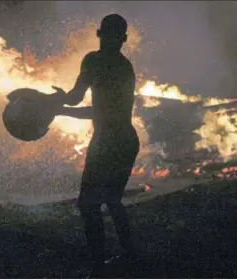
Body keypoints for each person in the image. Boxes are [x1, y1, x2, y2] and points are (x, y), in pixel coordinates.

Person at [50, 14, 140, 276]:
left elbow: (82, 102)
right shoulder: (125, 67)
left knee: (89, 205)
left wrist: (59, 106)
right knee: (113, 200)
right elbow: (82, 100)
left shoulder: (94, 60)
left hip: (107, 142)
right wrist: (61, 102)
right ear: (123, 39)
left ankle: (98, 265)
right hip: (125, 140)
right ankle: (129, 254)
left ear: (99, 34)